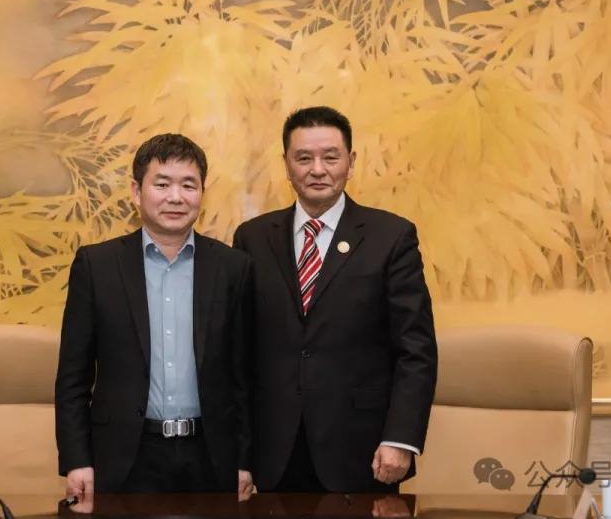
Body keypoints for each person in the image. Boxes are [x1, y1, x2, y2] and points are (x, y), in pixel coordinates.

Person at [232, 106, 438, 494]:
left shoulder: (391, 237)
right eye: (303, 158)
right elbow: (238, 356)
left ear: (351, 162)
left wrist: (400, 438)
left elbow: (416, 350)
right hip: (274, 452)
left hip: (361, 450)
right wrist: (239, 452)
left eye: (330, 157)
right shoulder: (252, 238)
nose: (318, 169)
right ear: (287, 165)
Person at [55, 134, 254, 497]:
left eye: (188, 185)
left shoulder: (233, 267)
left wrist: (245, 459)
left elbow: (244, 376)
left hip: (211, 457)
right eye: (162, 184)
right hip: (124, 456)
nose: (176, 197)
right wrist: (76, 459)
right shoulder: (97, 266)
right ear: (137, 191)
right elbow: (73, 378)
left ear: (202, 193)